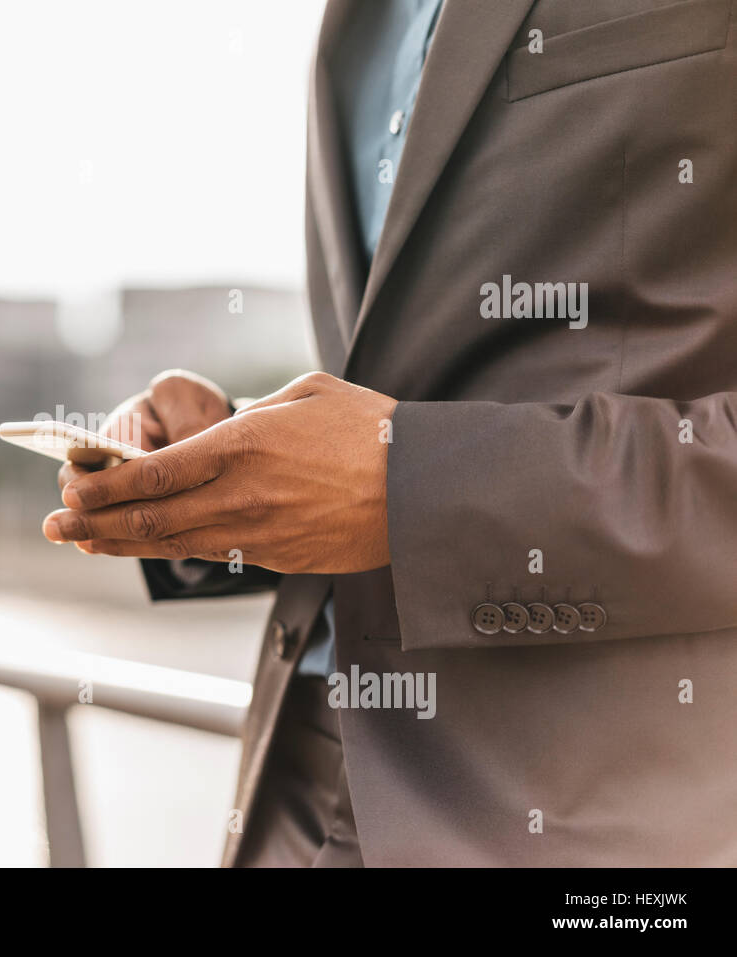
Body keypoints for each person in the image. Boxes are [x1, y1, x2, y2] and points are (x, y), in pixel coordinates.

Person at [42, 0, 737, 866]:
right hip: (290, 792)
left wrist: (414, 489)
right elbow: (410, 391)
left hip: (586, 833)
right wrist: (230, 461)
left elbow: (398, 465)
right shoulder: (354, 24)